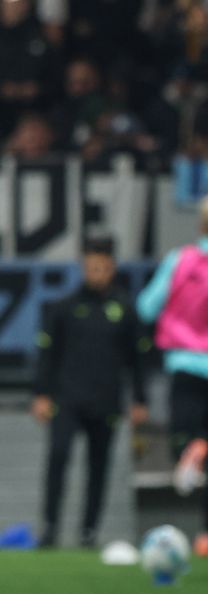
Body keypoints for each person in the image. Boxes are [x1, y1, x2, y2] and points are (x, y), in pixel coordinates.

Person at [33, 235, 148, 549]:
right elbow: (47, 356)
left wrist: (140, 398)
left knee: (99, 467)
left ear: (112, 269)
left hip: (106, 399)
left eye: (103, 268)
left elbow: (136, 359)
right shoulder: (64, 308)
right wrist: (41, 394)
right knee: (58, 456)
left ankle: (89, 531)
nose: (96, 274)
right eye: (91, 268)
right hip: (67, 398)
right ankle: (51, 527)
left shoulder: (125, 309)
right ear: (84, 268)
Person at [137, 200, 208, 556]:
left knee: (182, 441)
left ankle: (194, 446)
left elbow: (146, 306)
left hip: (186, 364)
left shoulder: (180, 261)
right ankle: (206, 536)